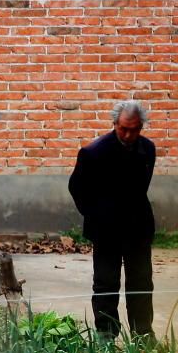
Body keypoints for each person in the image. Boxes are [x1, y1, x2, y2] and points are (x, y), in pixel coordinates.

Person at [68, 99, 156, 340]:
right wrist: (97, 215)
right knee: (106, 284)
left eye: (135, 129)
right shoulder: (93, 153)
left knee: (141, 283)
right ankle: (106, 335)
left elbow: (141, 187)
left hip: (138, 228)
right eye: (123, 128)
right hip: (106, 230)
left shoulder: (147, 149)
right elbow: (76, 187)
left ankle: (143, 333)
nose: (128, 135)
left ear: (141, 126)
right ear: (114, 123)